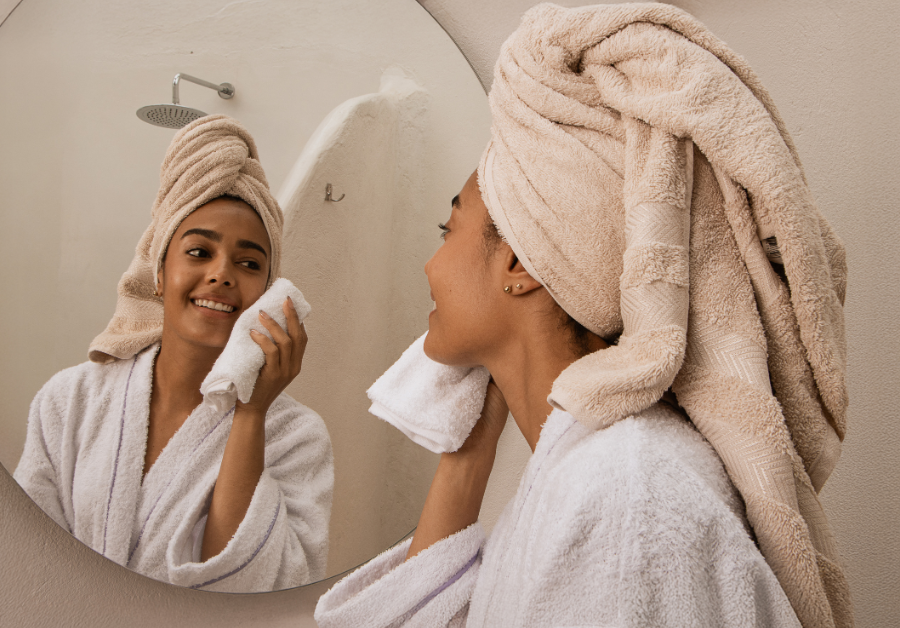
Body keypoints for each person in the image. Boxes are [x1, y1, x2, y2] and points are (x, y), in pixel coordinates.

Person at [315, 4, 851, 627]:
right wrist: (467, 448)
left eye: (447, 228)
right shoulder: (584, 475)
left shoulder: (624, 499)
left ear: (520, 264)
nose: (431, 266)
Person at [14, 115, 333, 593]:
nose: (222, 275)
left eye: (249, 263)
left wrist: (251, 413)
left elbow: (253, 587)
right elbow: (25, 557)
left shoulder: (295, 436)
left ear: (269, 292)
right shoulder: (70, 400)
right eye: (199, 252)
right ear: (159, 272)